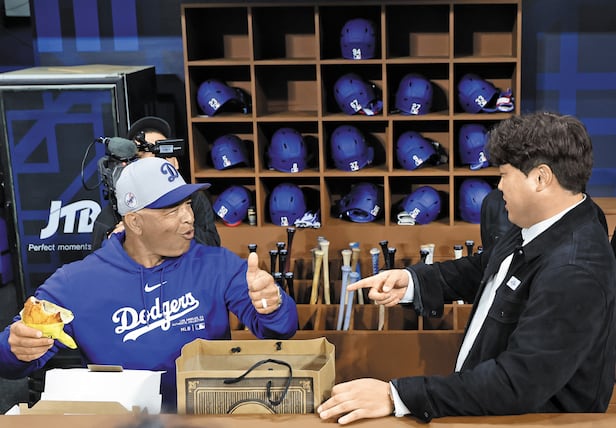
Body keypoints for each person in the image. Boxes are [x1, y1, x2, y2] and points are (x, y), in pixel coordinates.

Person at [317, 112, 616, 424]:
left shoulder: (574, 270)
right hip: (486, 407)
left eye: (505, 175)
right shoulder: (545, 221)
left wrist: (397, 396)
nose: (499, 186)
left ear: (540, 178)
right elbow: (488, 268)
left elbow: (516, 383)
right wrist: (414, 281)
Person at [0, 157, 298, 412]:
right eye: (172, 210)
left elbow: (282, 330)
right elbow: (9, 361)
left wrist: (272, 306)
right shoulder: (74, 283)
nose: (189, 218)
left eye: (188, 205)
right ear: (135, 222)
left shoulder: (217, 264)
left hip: (207, 416)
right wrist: (17, 348)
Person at [91, 116, 221, 250]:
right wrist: (114, 242)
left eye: (161, 154)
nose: (156, 165)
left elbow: (212, 248)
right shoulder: (118, 208)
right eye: (142, 156)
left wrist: (175, 225)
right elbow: (97, 258)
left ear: (175, 163)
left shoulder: (195, 199)